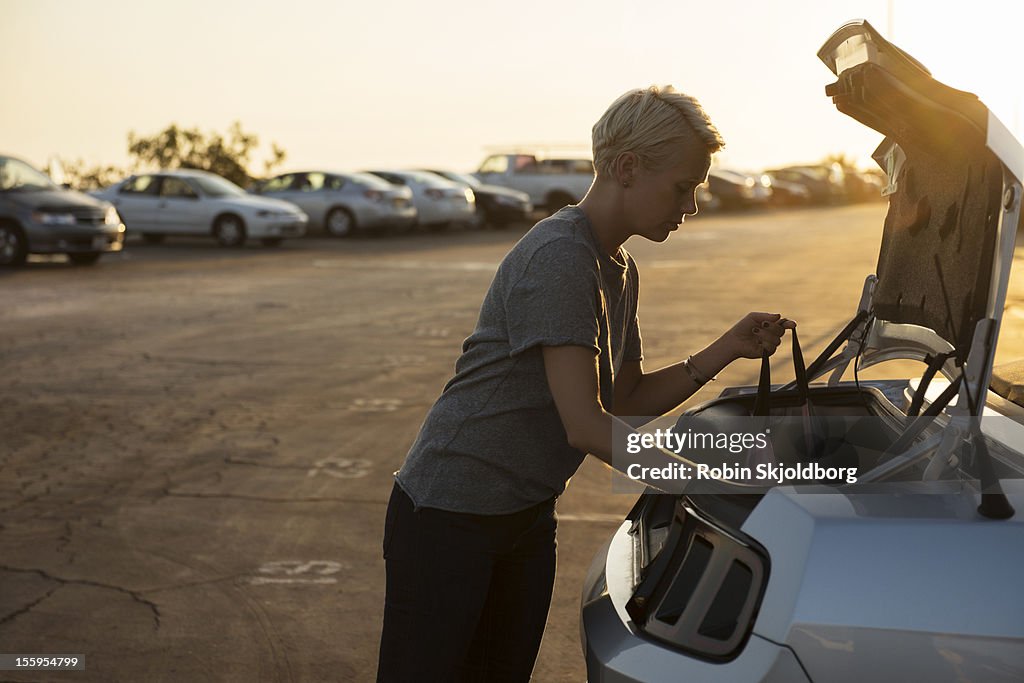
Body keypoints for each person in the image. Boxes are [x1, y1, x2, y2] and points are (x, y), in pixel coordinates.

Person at [376, 85, 795, 682]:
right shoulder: (559, 257)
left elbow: (623, 401)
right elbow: (587, 425)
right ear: (627, 168)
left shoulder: (616, 266)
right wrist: (705, 479)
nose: (694, 204)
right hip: (450, 514)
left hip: (524, 512)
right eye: (684, 186)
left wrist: (725, 350)